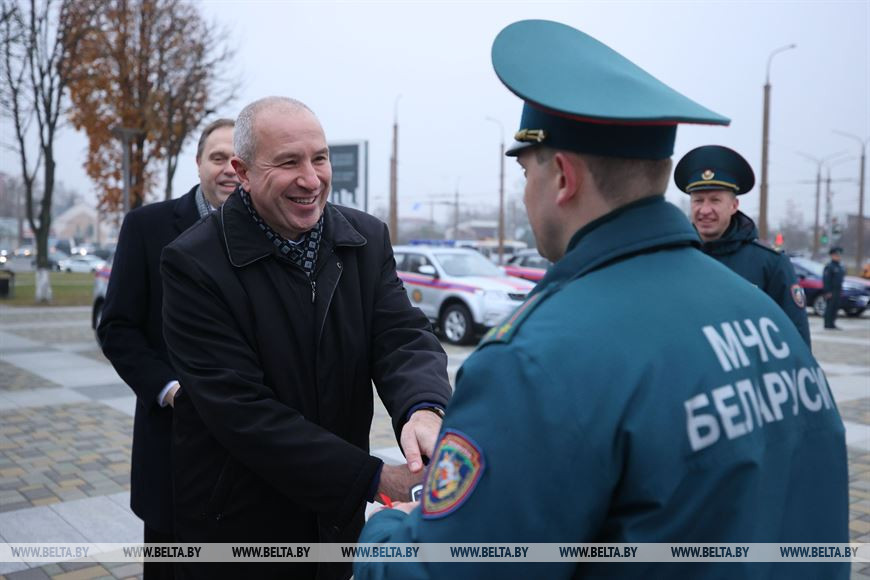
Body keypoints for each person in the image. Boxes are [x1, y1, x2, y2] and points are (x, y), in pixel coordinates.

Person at [356, 19, 848, 579]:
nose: (525, 190)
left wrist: (384, 537)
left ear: (562, 177)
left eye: (526, 171)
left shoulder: (537, 360)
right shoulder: (764, 316)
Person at [160, 96, 452, 580]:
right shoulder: (193, 263)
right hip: (239, 525)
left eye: (319, 158)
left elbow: (402, 334)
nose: (311, 179)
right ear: (244, 171)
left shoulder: (364, 238)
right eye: (288, 162)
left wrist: (423, 405)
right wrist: (373, 478)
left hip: (333, 524)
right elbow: (241, 411)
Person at [98, 118, 238, 580]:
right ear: (198, 163)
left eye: (238, 160)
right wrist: (170, 390)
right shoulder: (147, 227)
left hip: (253, 460)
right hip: (173, 446)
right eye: (218, 158)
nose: (229, 170)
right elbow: (117, 327)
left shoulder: (274, 231)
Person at [674, 145, 811, 346]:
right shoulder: (675, 259)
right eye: (698, 200)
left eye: (715, 200)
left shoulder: (770, 264)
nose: (705, 210)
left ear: (734, 206)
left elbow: (796, 339)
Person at [823, 246, 847, 329]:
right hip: (831, 291)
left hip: (837, 290)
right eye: (836, 255)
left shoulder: (840, 266)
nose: (838, 257)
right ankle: (827, 324)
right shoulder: (829, 267)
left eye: (839, 255)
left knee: (835, 307)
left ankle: (832, 323)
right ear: (832, 256)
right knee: (830, 307)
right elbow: (826, 280)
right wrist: (827, 291)